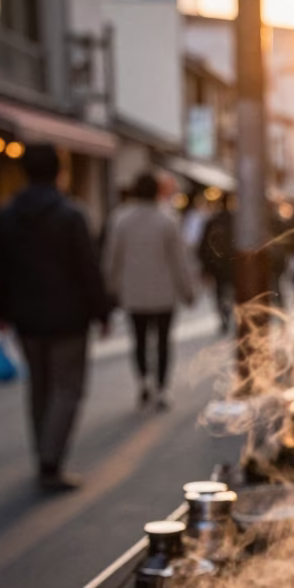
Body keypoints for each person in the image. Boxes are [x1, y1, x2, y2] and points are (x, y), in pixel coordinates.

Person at [0, 143, 110, 492]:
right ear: (60, 171)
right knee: (67, 388)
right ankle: (50, 461)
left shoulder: (6, 215)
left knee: (39, 388)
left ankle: (44, 454)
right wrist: (101, 311)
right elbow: (88, 269)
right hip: (69, 317)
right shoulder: (71, 214)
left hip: (26, 317)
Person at [104, 172, 195, 410]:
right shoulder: (167, 220)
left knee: (139, 339)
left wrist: (110, 287)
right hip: (164, 292)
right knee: (164, 341)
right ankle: (162, 388)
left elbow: (112, 258)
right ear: (157, 192)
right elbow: (179, 261)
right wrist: (187, 291)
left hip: (133, 291)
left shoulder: (120, 219)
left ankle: (144, 381)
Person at [198, 200, 234, 333]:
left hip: (218, 266)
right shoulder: (235, 222)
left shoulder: (212, 222)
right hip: (232, 265)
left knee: (220, 293)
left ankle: (225, 315)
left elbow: (203, 247)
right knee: (231, 291)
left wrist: (206, 267)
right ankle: (230, 313)